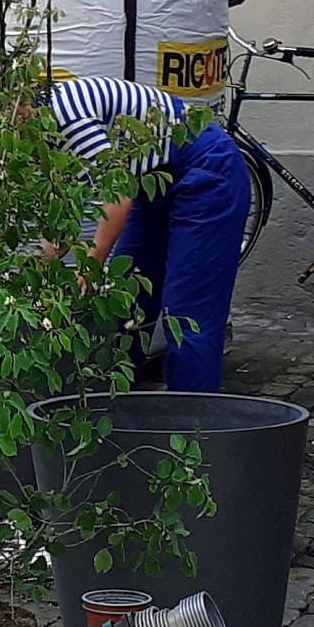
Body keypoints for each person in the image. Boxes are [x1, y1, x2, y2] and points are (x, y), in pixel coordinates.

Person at [50, 75, 250, 392]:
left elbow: (118, 190)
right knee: (128, 297)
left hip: (206, 169)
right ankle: (113, 406)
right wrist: (40, 270)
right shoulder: (34, 126)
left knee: (187, 314)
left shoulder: (64, 113)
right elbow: (61, 206)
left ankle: (193, 426)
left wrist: (93, 262)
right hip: (151, 179)